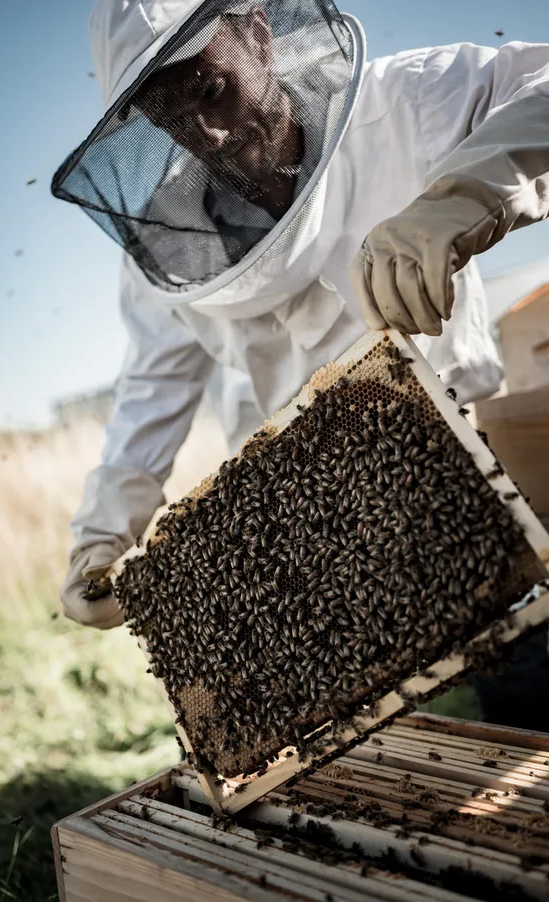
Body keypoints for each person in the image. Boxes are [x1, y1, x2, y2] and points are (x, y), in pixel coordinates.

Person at [55, 0, 549, 632]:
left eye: (210, 89)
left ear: (258, 32)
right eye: (169, 116)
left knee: (511, 665)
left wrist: (469, 194)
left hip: (462, 476)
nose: (203, 132)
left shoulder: (405, 103)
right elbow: (154, 388)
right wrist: (102, 530)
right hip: (313, 525)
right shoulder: (169, 247)